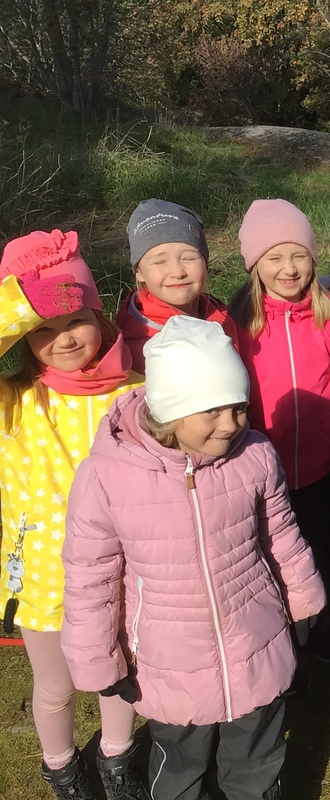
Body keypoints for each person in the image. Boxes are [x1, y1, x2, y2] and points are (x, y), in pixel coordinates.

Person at [61, 316, 325, 800]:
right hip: (169, 663)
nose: (231, 424)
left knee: (257, 760)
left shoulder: (254, 454)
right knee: (180, 768)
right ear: (169, 411)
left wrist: (303, 599)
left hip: (256, 641)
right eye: (212, 410)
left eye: (239, 407)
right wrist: (100, 661)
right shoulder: (106, 477)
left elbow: (281, 532)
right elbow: (90, 577)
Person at [0, 230, 147, 800]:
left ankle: (118, 761)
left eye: (76, 321)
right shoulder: (14, 401)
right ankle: (62, 770)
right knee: (55, 688)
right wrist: (23, 301)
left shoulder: (136, 391)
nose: (63, 339)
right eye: (43, 329)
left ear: (100, 317)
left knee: (118, 677)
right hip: (44, 577)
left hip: (123, 569)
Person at [231, 198, 330, 660]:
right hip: (258, 473)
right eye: (274, 257)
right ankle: (272, 640)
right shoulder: (238, 324)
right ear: (254, 265)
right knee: (263, 558)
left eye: (299, 256)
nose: (289, 269)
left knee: (313, 553)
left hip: (318, 472)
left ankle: (316, 629)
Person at [117, 198, 241, 372]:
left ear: (205, 263)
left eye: (189, 258)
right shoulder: (134, 345)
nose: (177, 272)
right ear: (139, 272)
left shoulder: (220, 316)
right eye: (160, 262)